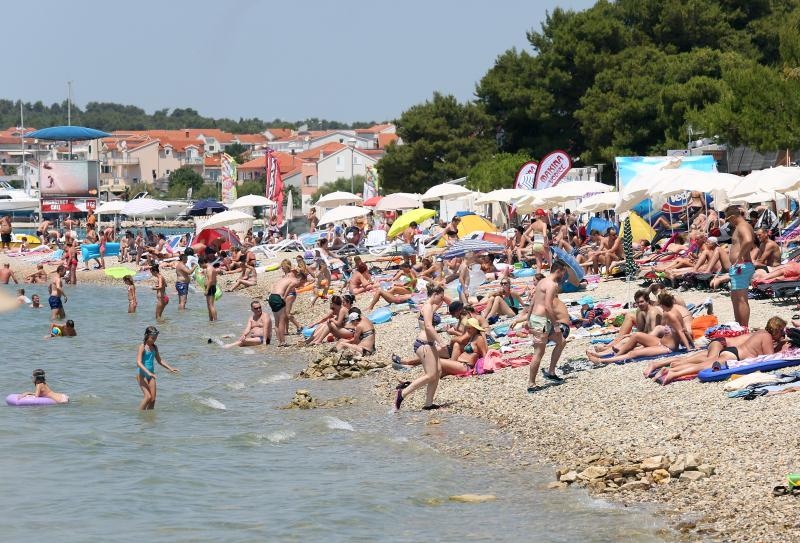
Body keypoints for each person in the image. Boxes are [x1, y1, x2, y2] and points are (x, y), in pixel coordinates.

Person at [395, 285, 446, 411]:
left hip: (429, 344)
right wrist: (441, 342)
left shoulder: (429, 305)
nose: (442, 299)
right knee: (430, 375)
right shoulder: (428, 307)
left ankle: (428, 404)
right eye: (441, 296)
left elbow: (438, 305)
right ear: (435, 294)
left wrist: (442, 297)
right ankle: (402, 393)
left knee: (438, 371)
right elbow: (428, 326)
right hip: (424, 344)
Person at [522, 261, 566, 392]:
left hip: (537, 319)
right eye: (563, 272)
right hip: (541, 321)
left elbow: (533, 301)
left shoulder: (542, 281)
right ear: (558, 271)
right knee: (538, 353)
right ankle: (531, 384)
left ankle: (551, 372)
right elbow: (548, 306)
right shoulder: (551, 285)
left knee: (561, 341)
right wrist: (556, 324)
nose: (564, 275)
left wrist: (528, 318)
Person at [136, 326, 179, 410]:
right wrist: (148, 373)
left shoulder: (154, 347)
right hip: (142, 375)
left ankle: (149, 419)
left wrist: (170, 368)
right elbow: (138, 362)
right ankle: (139, 416)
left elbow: (160, 361)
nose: (154, 340)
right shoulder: (142, 346)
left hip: (151, 375)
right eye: (152, 338)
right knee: (147, 397)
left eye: (155, 338)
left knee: (153, 400)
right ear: (146, 336)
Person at [725, 206, 755, 327]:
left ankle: (743, 328)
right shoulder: (743, 226)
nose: (729, 222)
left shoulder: (742, 226)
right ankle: (739, 327)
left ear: (733, 217)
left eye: (728, 220)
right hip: (740, 266)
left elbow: (748, 240)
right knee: (736, 298)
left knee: (741, 299)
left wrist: (739, 256)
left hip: (741, 266)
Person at [268, 269, 307, 347]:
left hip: (271, 297)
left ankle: (280, 342)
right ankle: (283, 342)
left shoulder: (286, 278)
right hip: (278, 297)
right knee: (281, 321)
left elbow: (274, 285)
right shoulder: (295, 281)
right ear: (301, 279)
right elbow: (289, 287)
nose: (302, 285)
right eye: (303, 282)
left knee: (277, 322)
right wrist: (284, 297)